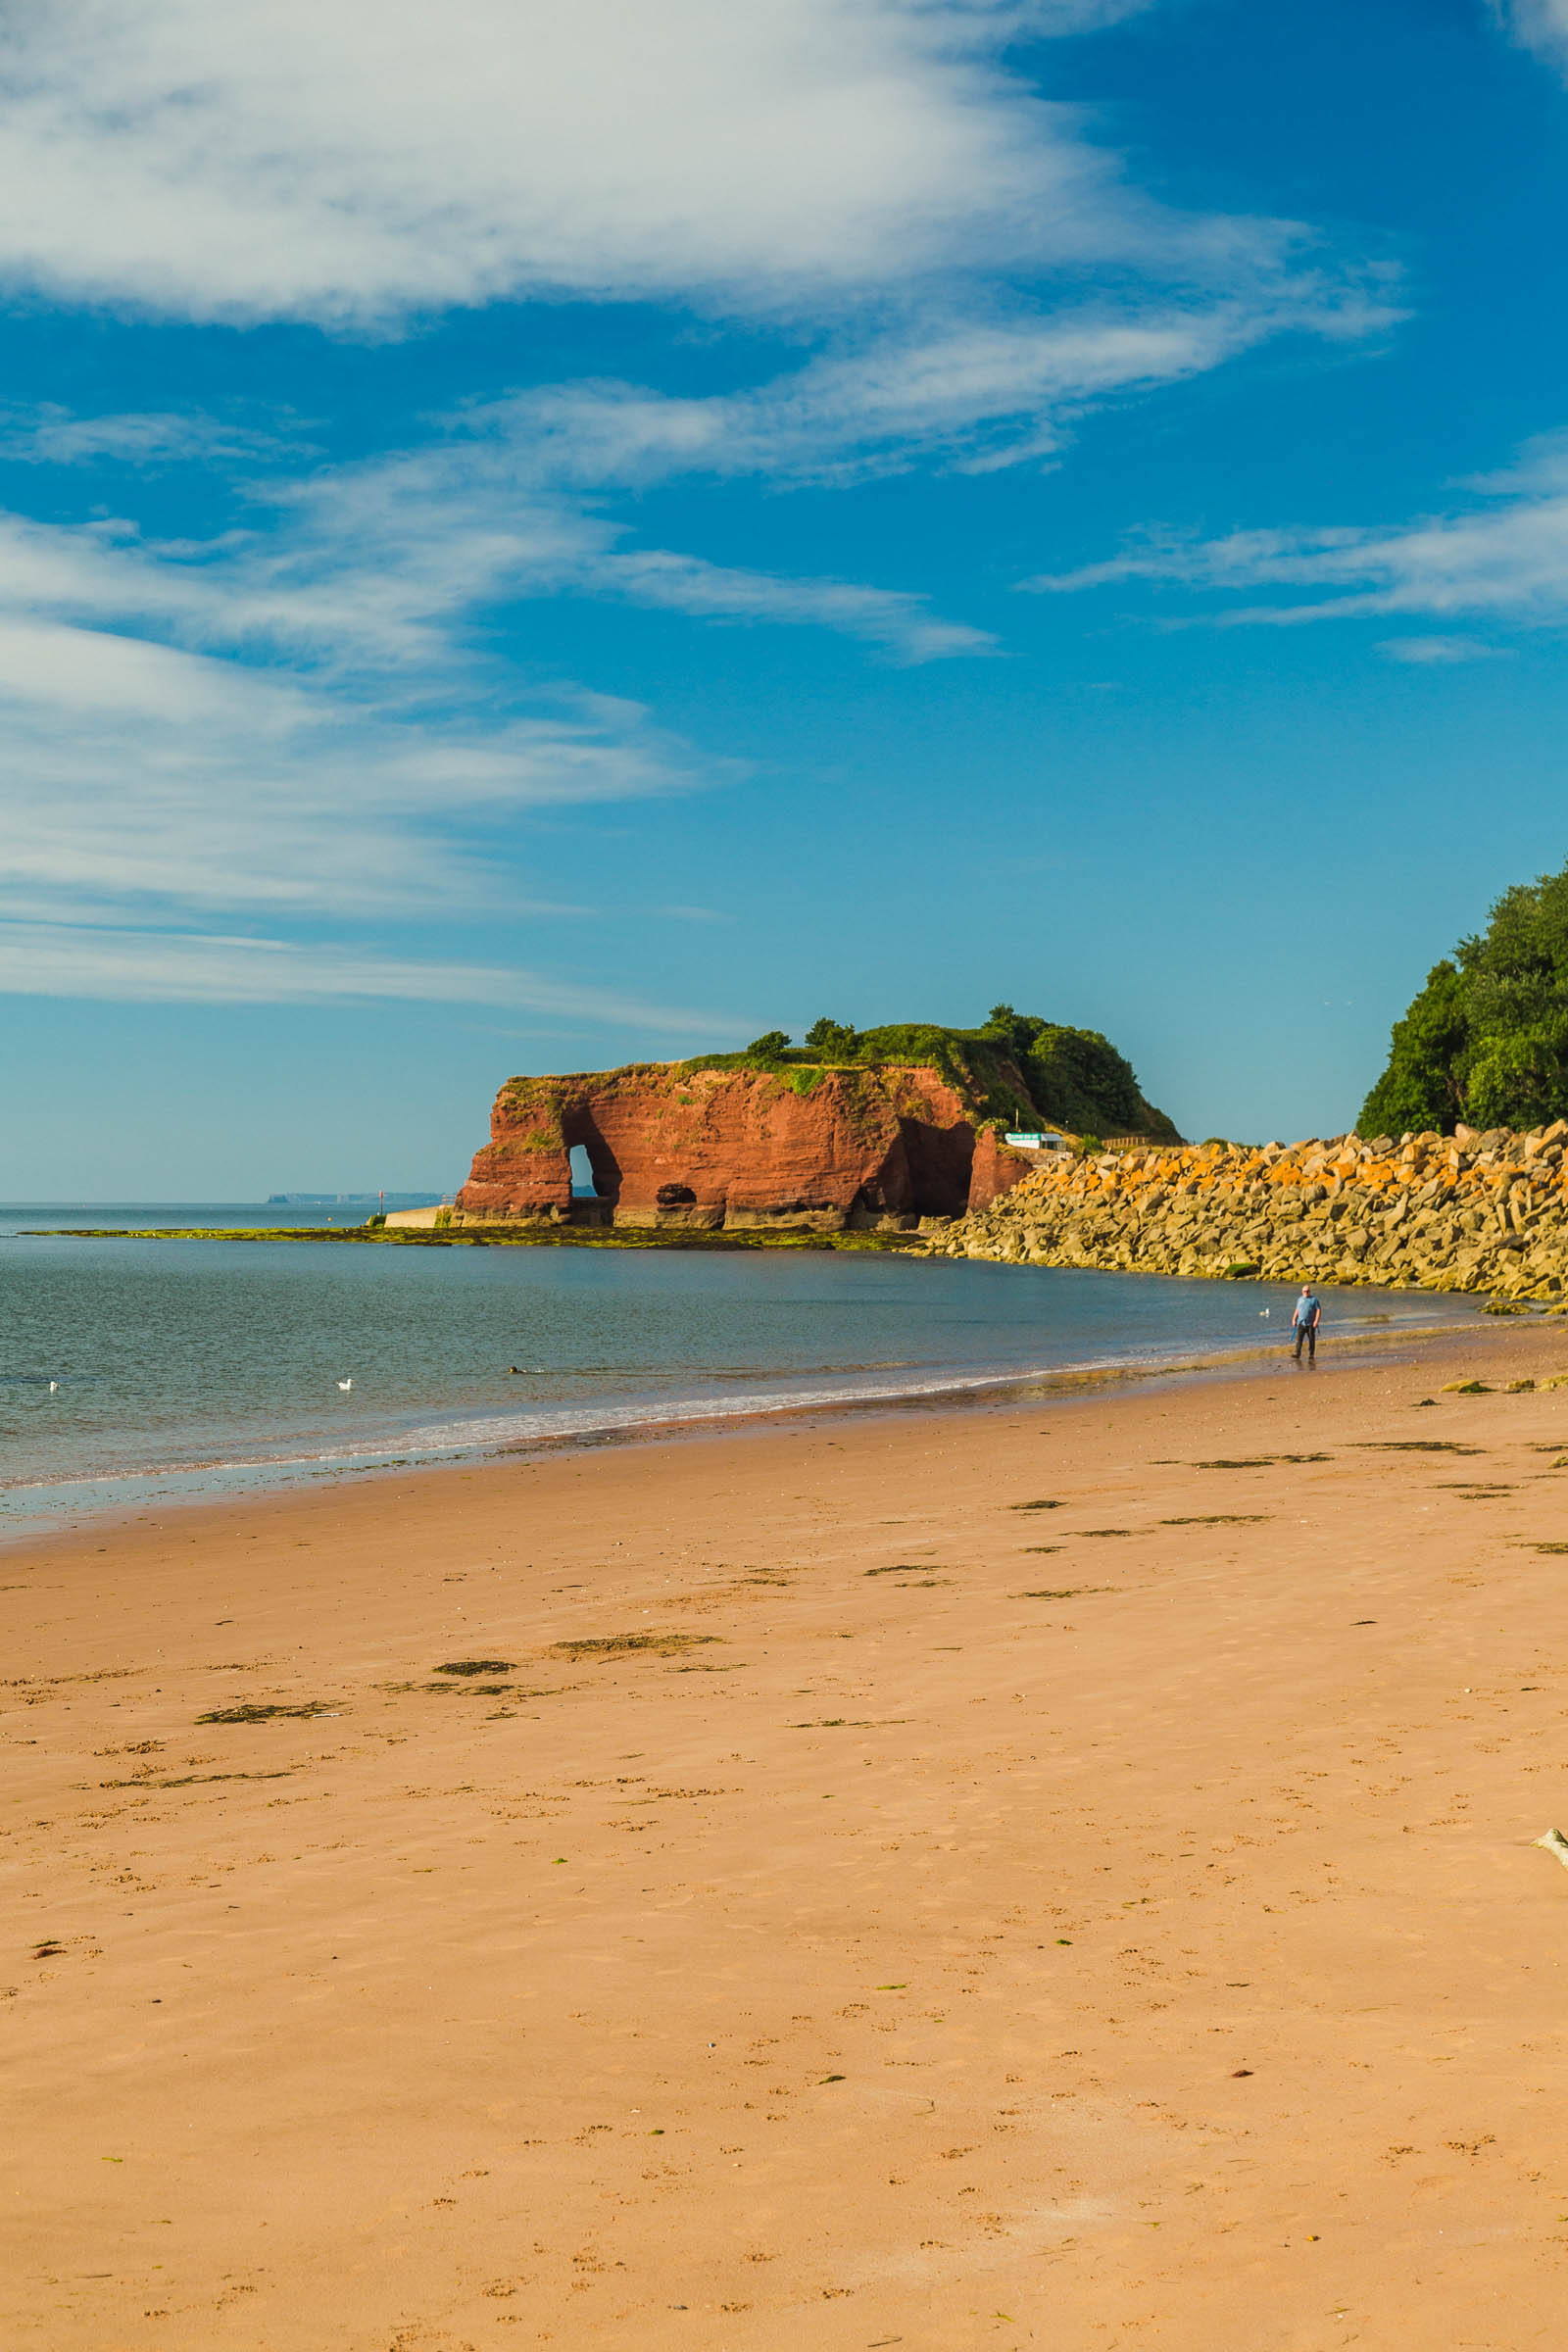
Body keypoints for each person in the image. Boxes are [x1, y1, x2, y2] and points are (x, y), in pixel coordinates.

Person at [1292, 1286, 1321, 1362]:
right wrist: (1294, 1319)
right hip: (1300, 1323)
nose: (1306, 1292)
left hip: (1311, 1324)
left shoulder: (1314, 1300)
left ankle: (1311, 1354)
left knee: (1311, 1340)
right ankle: (1297, 1354)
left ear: (1310, 1291)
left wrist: (1316, 1321)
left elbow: (1318, 1310)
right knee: (1299, 1340)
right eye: (1304, 1291)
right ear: (1302, 1292)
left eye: (1307, 1291)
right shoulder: (1299, 1299)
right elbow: (1297, 1309)